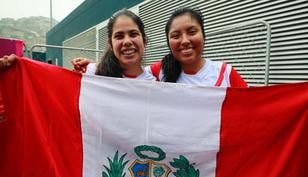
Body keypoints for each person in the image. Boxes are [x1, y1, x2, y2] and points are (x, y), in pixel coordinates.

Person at [72, 7, 247, 87]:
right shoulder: (160, 73)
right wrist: (93, 67)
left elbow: (254, 112)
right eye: (176, 36)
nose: (184, 41)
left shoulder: (226, 74)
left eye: (192, 31)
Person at [0, 9, 155, 81]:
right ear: (111, 43)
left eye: (133, 34)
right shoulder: (92, 74)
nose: (127, 41)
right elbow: (49, 85)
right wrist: (18, 68)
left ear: (144, 39)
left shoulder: (159, 80)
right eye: (119, 36)